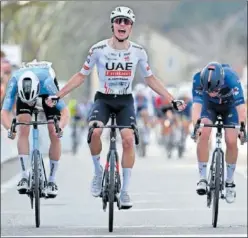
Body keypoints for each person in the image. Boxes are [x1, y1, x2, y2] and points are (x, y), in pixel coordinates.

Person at [46, 6, 186, 209]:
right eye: (118, 21)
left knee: (128, 140)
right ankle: (97, 173)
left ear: (131, 27)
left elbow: (150, 79)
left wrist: (171, 98)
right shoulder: (98, 50)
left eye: (126, 22)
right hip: (103, 99)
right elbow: (80, 76)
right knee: (95, 132)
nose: (122, 24)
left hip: (125, 101)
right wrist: (58, 95)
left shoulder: (138, 52)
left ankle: (125, 191)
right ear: (112, 24)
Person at [1, 60, 69, 198]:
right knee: (23, 126)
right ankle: (24, 177)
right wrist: (10, 129)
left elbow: (65, 112)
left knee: (53, 131)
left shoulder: (48, 83)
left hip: (46, 94)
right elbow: (4, 112)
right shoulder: (15, 80)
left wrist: (60, 128)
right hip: (25, 93)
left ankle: (52, 181)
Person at [192, 62, 246, 204]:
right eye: (208, 90)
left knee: (231, 140)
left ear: (221, 82)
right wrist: (196, 126)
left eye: (214, 90)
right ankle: (202, 178)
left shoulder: (231, 78)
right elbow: (196, 106)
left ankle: (229, 182)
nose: (211, 93)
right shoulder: (198, 79)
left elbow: (241, 107)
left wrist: (242, 128)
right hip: (209, 107)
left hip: (230, 108)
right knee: (203, 132)